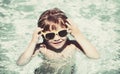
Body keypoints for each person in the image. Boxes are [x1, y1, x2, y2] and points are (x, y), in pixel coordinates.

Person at [17, 8, 99, 74]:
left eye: (62, 33)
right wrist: (33, 41)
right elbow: (21, 63)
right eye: (50, 35)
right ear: (42, 35)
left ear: (68, 31)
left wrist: (78, 34)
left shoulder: (73, 45)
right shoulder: (42, 48)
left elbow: (95, 56)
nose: (57, 38)